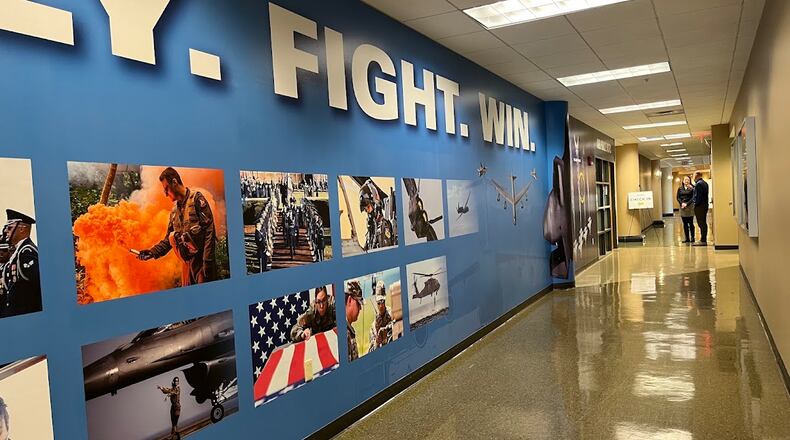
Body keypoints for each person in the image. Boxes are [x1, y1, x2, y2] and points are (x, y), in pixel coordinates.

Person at [137, 168, 218, 286]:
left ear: (174, 182)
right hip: (186, 266)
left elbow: (209, 232)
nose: (165, 194)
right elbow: (168, 240)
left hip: (202, 264)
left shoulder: (196, 199)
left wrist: (208, 264)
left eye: (166, 189)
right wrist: (152, 252)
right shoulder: (174, 211)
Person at [0, 210, 42, 318]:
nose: (6, 232)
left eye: (9, 228)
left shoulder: (26, 251)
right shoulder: (19, 252)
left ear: (22, 229)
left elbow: (38, 284)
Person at [369, 283, 393, 351]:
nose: (381, 305)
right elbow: (370, 352)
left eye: (383, 301)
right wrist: (376, 342)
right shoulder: (373, 326)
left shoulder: (393, 314)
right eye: (378, 303)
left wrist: (387, 329)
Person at [345, 281, 364, 362]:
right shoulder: (344, 332)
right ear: (349, 300)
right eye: (358, 304)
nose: (360, 308)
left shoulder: (347, 329)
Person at [692, 171, 710, 245]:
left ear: (697, 176)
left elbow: (698, 197)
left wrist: (695, 203)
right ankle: (703, 239)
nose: (693, 177)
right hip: (704, 205)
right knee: (703, 222)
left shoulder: (698, 184)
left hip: (700, 206)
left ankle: (703, 240)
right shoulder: (705, 183)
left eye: (693, 176)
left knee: (701, 223)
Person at [677, 176, 695, 243]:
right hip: (682, 207)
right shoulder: (680, 188)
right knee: (684, 224)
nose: (687, 181)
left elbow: (693, 197)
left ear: (690, 181)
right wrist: (682, 203)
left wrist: (687, 204)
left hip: (689, 207)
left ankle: (693, 237)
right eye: (685, 180)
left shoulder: (692, 188)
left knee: (691, 223)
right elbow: (678, 197)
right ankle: (687, 238)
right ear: (683, 181)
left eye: (688, 180)